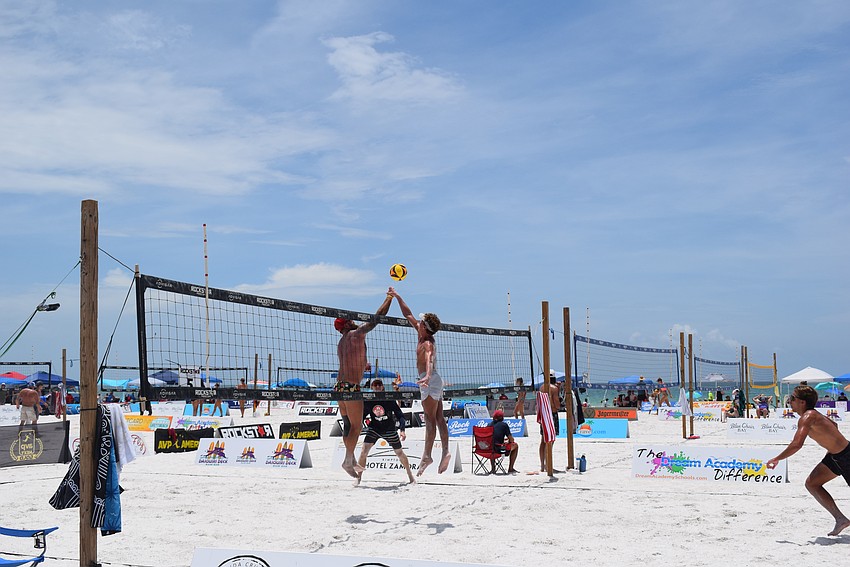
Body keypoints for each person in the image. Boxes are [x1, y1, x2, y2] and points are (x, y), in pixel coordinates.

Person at [767, 385, 850, 536]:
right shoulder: (813, 415)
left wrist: (776, 459)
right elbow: (834, 425)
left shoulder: (808, 417)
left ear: (802, 402)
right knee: (812, 483)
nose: (790, 401)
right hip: (834, 456)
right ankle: (840, 519)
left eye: (792, 398)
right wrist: (831, 443)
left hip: (846, 456)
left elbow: (797, 444)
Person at [389, 288, 449, 475]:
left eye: (421, 321)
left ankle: (427, 456)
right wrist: (397, 296)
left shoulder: (428, 342)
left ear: (424, 326)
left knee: (430, 420)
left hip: (429, 380)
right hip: (433, 380)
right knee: (438, 418)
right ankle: (445, 451)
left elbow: (429, 358)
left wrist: (428, 376)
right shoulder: (420, 333)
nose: (418, 322)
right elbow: (408, 314)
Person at [335, 289, 394, 478]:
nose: (353, 320)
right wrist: (389, 298)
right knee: (357, 426)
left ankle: (350, 460)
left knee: (347, 425)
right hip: (351, 387)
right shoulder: (357, 333)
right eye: (350, 319)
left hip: (338, 387)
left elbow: (353, 359)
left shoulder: (341, 342)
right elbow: (378, 317)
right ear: (347, 324)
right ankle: (347, 459)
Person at [353, 379, 415, 485]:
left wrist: (402, 430)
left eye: (379, 385)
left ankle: (410, 476)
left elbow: (400, 416)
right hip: (374, 429)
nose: (377, 387)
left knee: (399, 453)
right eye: (375, 385)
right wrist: (357, 428)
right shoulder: (368, 400)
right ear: (371, 387)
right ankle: (358, 478)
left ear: (382, 387)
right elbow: (362, 416)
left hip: (389, 429)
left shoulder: (389, 399)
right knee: (363, 452)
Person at [538, 376, 561, 472]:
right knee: (550, 440)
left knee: (543, 440)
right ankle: (548, 465)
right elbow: (557, 404)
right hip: (552, 414)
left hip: (544, 413)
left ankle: (543, 466)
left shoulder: (542, 387)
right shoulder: (554, 389)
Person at [490, 409, 518, 474]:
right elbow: (511, 440)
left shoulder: (489, 424)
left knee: (492, 445)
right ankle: (510, 468)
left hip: (487, 450)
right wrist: (508, 441)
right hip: (499, 450)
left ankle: (493, 468)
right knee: (515, 446)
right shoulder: (504, 425)